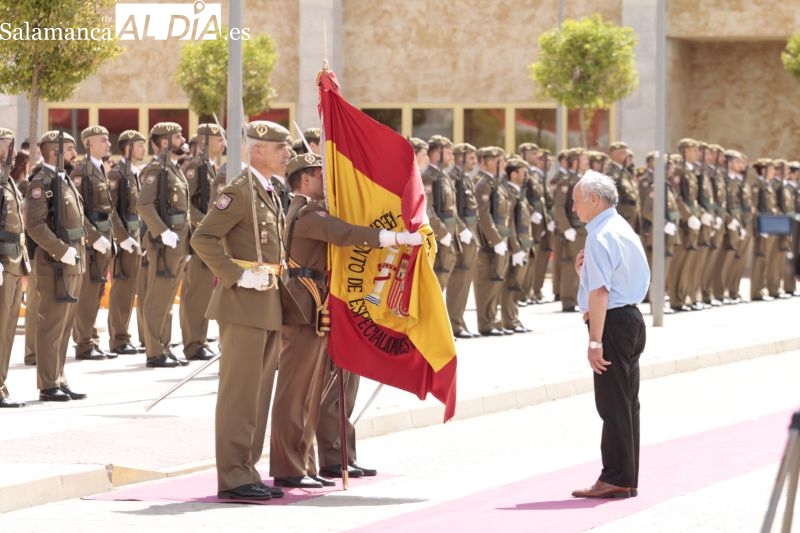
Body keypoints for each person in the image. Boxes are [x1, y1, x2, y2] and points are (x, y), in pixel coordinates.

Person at [269, 153, 420, 488]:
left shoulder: (310, 209)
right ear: (304, 179)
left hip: (317, 299)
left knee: (310, 391)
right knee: (295, 390)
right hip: (303, 300)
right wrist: (394, 238)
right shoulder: (307, 211)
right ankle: (288, 467)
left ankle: (303, 464)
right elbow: (344, 233)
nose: (328, 181)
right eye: (321, 175)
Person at [190, 120, 292, 501]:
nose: (287, 154)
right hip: (243, 302)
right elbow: (203, 237)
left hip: (266, 302)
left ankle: (247, 468)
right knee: (240, 393)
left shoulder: (268, 191)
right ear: (258, 150)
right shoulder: (240, 192)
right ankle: (233, 476)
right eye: (280, 148)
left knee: (259, 393)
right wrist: (235, 275)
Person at [570, 170, 648, 499]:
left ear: (593, 199)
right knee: (627, 404)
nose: (574, 208)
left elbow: (600, 293)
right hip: (629, 317)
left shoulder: (599, 235)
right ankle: (625, 476)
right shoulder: (618, 227)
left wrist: (594, 341)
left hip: (613, 323)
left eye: (576, 201)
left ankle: (615, 476)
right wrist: (582, 272)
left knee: (612, 405)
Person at [24, 131, 89, 402]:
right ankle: (48, 383)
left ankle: (59, 378)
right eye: (71, 149)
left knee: (64, 325)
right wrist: (61, 251)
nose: (75, 155)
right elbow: (35, 225)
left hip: (72, 259)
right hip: (54, 262)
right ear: (55, 152)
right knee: (51, 324)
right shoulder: (41, 182)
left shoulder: (62, 180)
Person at [136, 122, 191, 368]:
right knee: (157, 299)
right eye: (177, 136)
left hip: (178, 242)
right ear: (165, 141)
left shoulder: (173, 168)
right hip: (164, 243)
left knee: (168, 298)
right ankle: (154, 351)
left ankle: (164, 346)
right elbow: (144, 206)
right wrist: (163, 232)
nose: (182, 138)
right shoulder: (156, 169)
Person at [179, 123, 226, 361]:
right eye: (220, 139)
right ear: (206, 141)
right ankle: (192, 343)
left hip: (208, 237)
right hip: (198, 238)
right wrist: (207, 224)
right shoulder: (195, 166)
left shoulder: (209, 166)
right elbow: (185, 203)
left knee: (204, 291)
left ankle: (200, 339)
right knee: (195, 293)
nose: (224, 144)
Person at [70, 126, 116, 360]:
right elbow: (78, 211)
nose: (108, 143)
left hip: (104, 238)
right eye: (103, 140)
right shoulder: (82, 170)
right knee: (88, 293)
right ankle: (83, 343)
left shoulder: (99, 169)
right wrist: (93, 237)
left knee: (97, 290)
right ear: (89, 144)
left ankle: (91, 339)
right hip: (92, 242)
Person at [106, 130, 146, 355]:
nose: (143, 149)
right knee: (121, 291)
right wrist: (121, 238)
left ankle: (124, 336)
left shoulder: (133, 173)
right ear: (128, 148)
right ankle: (118, 339)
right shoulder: (117, 174)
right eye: (139, 145)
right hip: (125, 241)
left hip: (135, 238)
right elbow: (110, 210)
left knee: (130, 290)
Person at [0, 127, 28, 407]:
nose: (11, 151)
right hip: (2, 261)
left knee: (7, 328)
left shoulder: (6, 180)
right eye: (6, 145)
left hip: (13, 261)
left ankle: (1, 383)